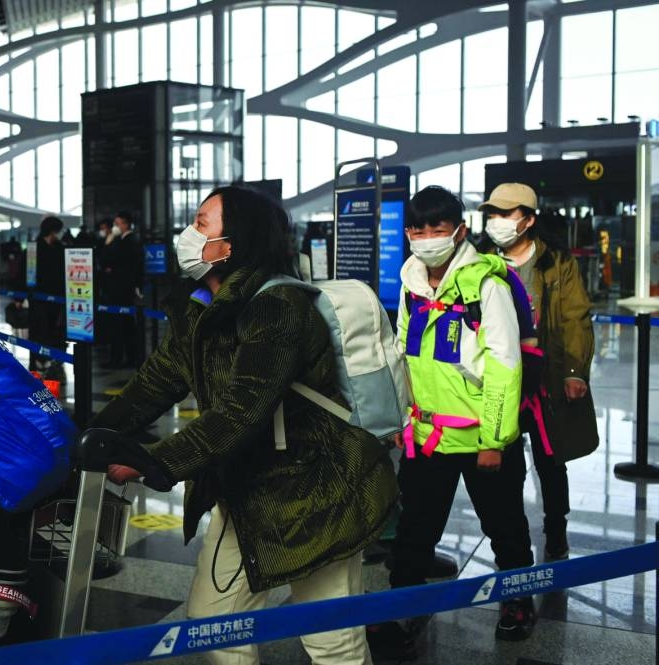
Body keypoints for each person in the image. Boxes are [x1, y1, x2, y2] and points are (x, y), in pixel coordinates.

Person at [90, 185, 395, 665]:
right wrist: (92, 438)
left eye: (202, 223)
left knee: (332, 640)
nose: (188, 233)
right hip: (247, 492)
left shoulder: (277, 308)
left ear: (231, 244)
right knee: (214, 625)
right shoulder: (199, 308)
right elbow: (155, 383)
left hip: (315, 494)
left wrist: (153, 462)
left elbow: (241, 412)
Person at [374, 186, 535, 656]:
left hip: (483, 436)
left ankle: (518, 602)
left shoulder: (488, 285)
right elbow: (406, 354)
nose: (426, 238)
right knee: (415, 533)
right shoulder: (411, 284)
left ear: (459, 231)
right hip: (428, 436)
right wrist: (405, 421)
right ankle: (403, 606)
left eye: (437, 229)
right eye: (417, 229)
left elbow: (505, 367)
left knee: (504, 526)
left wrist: (494, 440)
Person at [479, 182, 595, 562]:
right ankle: (513, 537)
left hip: (544, 379)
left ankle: (555, 528)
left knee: (550, 460)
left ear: (528, 220)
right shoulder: (481, 262)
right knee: (507, 464)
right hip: (503, 380)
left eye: (505, 214)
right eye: (492, 214)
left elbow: (575, 316)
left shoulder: (556, 262)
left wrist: (575, 371)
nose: (496, 221)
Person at [101, 211, 144, 368]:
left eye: (117, 224)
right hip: (123, 288)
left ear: (125, 224)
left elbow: (107, 260)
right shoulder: (127, 240)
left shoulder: (128, 241)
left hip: (121, 289)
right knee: (124, 325)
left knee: (120, 325)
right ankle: (126, 358)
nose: (115, 227)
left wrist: (108, 242)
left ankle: (121, 358)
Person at [31, 216, 66, 374]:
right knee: (40, 328)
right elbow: (28, 273)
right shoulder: (34, 248)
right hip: (39, 296)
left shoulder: (60, 247)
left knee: (54, 328)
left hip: (57, 296)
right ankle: (38, 359)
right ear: (52, 231)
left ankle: (53, 358)